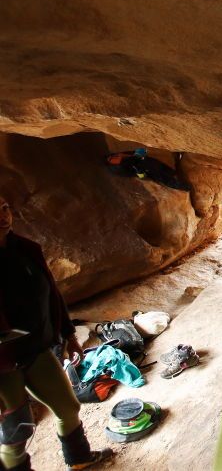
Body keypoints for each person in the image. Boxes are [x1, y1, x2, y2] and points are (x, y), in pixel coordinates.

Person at [0, 196, 113, 471]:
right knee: (17, 430)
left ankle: (79, 459)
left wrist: (69, 335)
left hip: (36, 349)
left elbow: (51, 293)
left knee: (67, 407)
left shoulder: (26, 249)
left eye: (4, 208)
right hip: (4, 363)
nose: (3, 216)